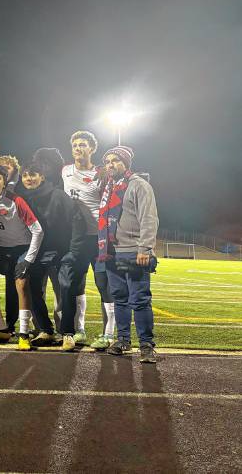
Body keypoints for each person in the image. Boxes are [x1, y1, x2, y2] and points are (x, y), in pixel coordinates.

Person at [17, 163, 88, 351]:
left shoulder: (58, 195)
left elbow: (77, 221)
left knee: (66, 288)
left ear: (42, 176)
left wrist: (73, 251)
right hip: (38, 252)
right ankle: (45, 330)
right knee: (32, 289)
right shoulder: (23, 198)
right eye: (25, 175)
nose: (29, 179)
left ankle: (68, 333)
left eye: (33, 174)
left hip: (61, 252)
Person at [98, 146, 159, 363]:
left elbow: (149, 218)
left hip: (133, 251)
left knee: (139, 299)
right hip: (112, 253)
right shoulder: (109, 187)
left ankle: (146, 345)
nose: (110, 165)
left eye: (115, 160)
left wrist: (145, 248)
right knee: (120, 298)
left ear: (126, 163)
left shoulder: (138, 185)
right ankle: (123, 339)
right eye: (107, 161)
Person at [0, 164, 44, 350]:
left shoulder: (17, 201)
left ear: (5, 182)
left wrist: (28, 259)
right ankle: (2, 328)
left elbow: (38, 231)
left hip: (21, 248)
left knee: (21, 284)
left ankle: (24, 334)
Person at [62, 130, 116, 348]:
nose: (78, 148)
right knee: (77, 284)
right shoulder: (65, 171)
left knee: (104, 284)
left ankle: (109, 334)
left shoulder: (101, 173)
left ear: (92, 149)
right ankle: (80, 330)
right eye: (75, 145)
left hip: (100, 237)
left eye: (83, 145)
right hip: (77, 238)